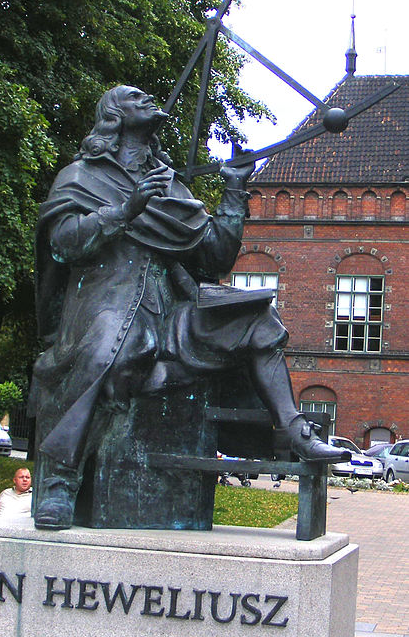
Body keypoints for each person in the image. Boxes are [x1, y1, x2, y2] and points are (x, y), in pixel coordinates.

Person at [30, 85, 348, 529]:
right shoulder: (81, 176)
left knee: (257, 317)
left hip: (171, 306)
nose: (145, 98)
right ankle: (61, 483)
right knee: (110, 350)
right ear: (113, 116)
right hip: (107, 300)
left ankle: (295, 431)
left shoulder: (170, 183)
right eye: (133, 97)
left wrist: (235, 192)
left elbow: (215, 257)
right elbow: (63, 245)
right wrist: (126, 209)